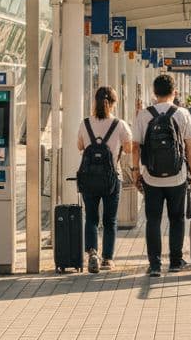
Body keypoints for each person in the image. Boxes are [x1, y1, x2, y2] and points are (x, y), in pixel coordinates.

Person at [132, 73, 191, 277]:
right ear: (174, 92)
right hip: (177, 176)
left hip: (151, 176)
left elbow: (135, 147)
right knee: (177, 218)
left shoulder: (143, 115)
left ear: (154, 92)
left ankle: (154, 265)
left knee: (152, 219)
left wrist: (136, 172)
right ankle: (176, 262)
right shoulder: (183, 114)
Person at [76, 85, 133, 273]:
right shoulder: (120, 124)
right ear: (114, 103)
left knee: (91, 217)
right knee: (110, 220)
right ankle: (107, 259)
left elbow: (80, 146)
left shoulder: (85, 123)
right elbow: (128, 149)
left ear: (95, 102)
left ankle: (92, 253)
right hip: (111, 178)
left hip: (89, 178)